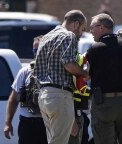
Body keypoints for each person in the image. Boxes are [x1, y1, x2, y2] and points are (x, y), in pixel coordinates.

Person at [86, 13, 122, 144]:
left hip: (103, 104)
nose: (91, 31)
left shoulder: (95, 48)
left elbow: (85, 75)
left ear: (101, 27)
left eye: (92, 27)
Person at [34, 10, 88, 144]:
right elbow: (68, 64)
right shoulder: (69, 36)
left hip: (43, 96)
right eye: (82, 29)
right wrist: (84, 73)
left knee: (53, 140)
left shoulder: (45, 37)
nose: (81, 33)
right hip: (60, 95)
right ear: (75, 24)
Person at [4, 36, 48, 144]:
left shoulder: (55, 71)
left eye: (38, 50)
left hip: (48, 123)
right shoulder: (25, 71)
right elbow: (13, 99)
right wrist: (8, 123)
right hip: (28, 123)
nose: (36, 53)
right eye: (34, 50)